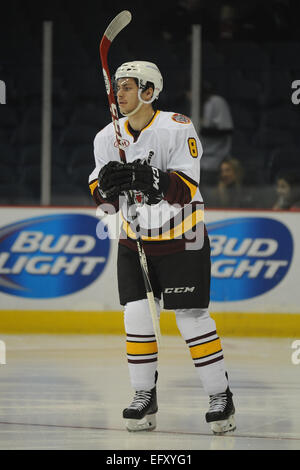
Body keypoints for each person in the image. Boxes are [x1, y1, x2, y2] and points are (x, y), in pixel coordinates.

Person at [88, 61, 235, 435]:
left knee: (191, 319)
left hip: (183, 238)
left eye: (127, 87)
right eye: (117, 87)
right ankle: (144, 395)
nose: (118, 94)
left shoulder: (177, 128)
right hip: (133, 239)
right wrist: (106, 190)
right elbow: (102, 203)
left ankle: (221, 397)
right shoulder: (106, 137)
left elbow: (186, 189)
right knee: (136, 318)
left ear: (149, 92)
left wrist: (152, 178)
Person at [200, 81, 234, 186]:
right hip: (199, 163)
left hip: (216, 161)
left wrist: (203, 130)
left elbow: (227, 129)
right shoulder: (195, 106)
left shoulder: (216, 102)